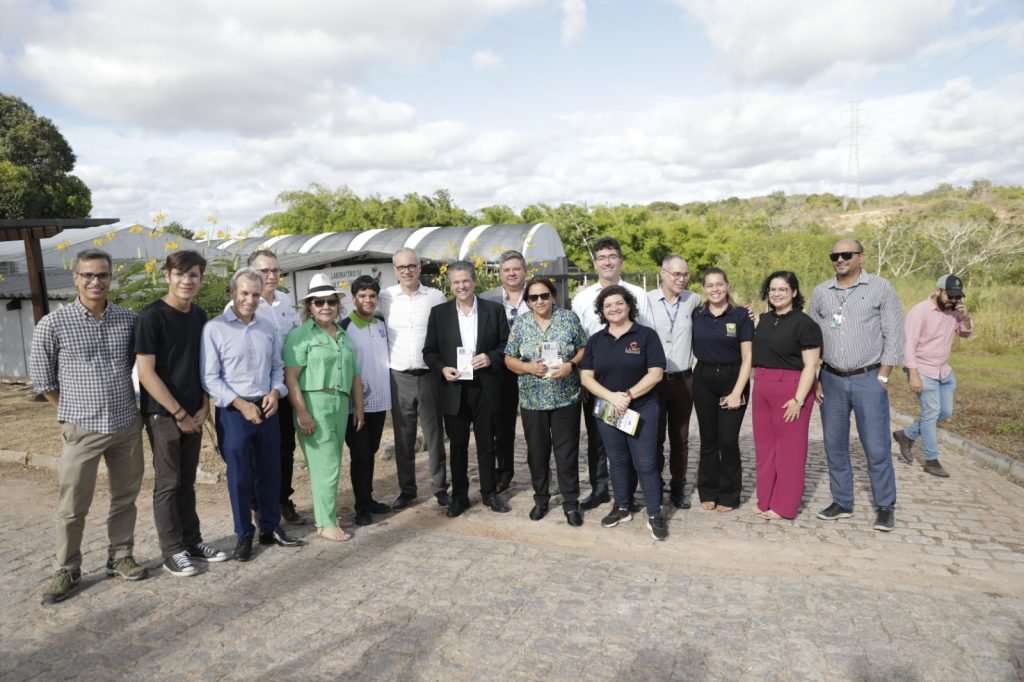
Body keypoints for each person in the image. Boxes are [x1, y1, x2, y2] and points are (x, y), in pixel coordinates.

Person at [30, 248, 149, 604]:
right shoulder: (53, 324)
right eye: (88, 275)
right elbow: (43, 379)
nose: (96, 281)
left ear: (110, 278)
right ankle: (67, 568)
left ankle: (121, 555)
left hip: (126, 423)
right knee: (72, 504)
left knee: (125, 497)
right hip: (81, 428)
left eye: (102, 275)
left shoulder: (127, 320)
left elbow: (138, 366)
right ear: (76, 279)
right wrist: (69, 413)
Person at [136, 250, 228, 577]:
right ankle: (172, 550)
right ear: (167, 276)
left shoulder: (200, 315)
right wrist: (178, 412)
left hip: (194, 411)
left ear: (201, 279)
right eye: (180, 274)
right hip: (163, 414)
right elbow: (146, 374)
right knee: (168, 483)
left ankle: (192, 540)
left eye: (193, 275)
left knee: (187, 482)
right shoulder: (151, 317)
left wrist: (204, 403)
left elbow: (203, 365)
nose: (187, 281)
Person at [201, 267, 303, 561]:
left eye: (255, 294)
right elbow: (210, 378)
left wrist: (275, 392)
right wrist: (241, 405)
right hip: (234, 411)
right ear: (232, 293)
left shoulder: (267, 327)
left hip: (267, 406)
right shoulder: (215, 329)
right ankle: (244, 534)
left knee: (271, 471)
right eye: (244, 293)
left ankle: (269, 529)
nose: (250, 299)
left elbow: (276, 368)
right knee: (240, 475)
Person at [809, 239, 904, 532]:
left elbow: (895, 333)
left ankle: (885, 506)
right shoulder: (821, 292)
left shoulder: (880, 288)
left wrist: (884, 376)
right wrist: (814, 378)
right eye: (835, 255)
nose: (840, 259)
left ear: (861, 257)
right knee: (834, 445)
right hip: (831, 379)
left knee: (876, 447)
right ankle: (842, 501)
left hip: (868, 378)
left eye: (846, 254)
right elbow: (811, 339)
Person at [571, 236, 655, 511]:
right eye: (601, 258)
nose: (607, 262)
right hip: (597, 384)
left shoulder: (638, 294)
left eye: (612, 256)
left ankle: (628, 495)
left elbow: (647, 337)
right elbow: (578, 341)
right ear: (595, 264)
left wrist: (636, 389)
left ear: (620, 261)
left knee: (632, 441)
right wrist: (585, 379)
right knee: (598, 441)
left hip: (633, 388)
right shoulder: (582, 298)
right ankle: (600, 490)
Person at [423, 260, 511, 517]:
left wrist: (491, 358)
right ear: (450, 285)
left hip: (485, 386)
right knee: (458, 446)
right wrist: (442, 369)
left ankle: (489, 493)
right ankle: (460, 496)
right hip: (454, 389)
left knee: (486, 444)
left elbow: (507, 345)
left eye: (465, 281)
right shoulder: (439, 314)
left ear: (474, 282)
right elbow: (429, 352)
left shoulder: (493, 311)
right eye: (456, 282)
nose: (461, 286)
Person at [579, 286, 668, 540]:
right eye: (608, 306)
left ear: (629, 305)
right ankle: (622, 507)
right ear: (602, 311)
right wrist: (612, 397)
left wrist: (627, 396)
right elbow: (586, 376)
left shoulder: (646, 335)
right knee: (616, 461)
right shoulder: (596, 340)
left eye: (619, 303)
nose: (614, 309)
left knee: (646, 464)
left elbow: (656, 374)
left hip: (641, 408)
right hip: (609, 408)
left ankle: (653, 513)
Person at [284, 273, 365, 541]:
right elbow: (291, 377)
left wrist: (359, 408)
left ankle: (324, 516)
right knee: (326, 464)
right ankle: (326, 522)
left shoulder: (342, 335)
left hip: (340, 404)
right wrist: (302, 411)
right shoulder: (300, 336)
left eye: (330, 301)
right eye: (319, 302)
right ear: (309, 306)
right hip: (314, 403)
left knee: (329, 464)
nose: (325, 306)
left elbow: (354, 375)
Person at [504, 277, 588, 526]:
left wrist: (570, 365)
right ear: (528, 301)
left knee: (567, 454)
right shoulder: (521, 324)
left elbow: (583, 348)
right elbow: (509, 359)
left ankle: (571, 504)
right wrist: (528, 367)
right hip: (533, 400)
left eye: (544, 295)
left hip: (565, 398)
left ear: (552, 296)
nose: (539, 301)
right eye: (533, 297)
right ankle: (541, 499)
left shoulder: (568, 318)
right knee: (538, 454)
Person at [379, 247, 449, 510]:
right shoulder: (385, 297)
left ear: (419, 267)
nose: (406, 271)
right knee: (403, 438)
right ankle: (407, 490)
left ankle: (441, 488)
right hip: (399, 377)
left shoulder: (435, 296)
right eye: (401, 267)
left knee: (434, 435)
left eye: (412, 265)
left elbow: (445, 333)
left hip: (429, 375)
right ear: (394, 270)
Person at [750, 271, 822, 520]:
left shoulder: (804, 323)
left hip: (791, 389)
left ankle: (784, 506)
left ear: (794, 292)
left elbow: (811, 365)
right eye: (772, 289)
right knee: (765, 449)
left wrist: (799, 400)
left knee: (789, 452)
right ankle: (765, 500)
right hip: (762, 387)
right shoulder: (765, 319)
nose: (776, 294)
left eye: (782, 289)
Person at [893, 274, 974, 478]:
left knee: (944, 412)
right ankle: (931, 460)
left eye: (958, 297)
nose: (954, 301)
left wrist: (965, 318)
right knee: (931, 412)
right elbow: (908, 344)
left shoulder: (954, 312)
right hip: (922, 369)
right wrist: (913, 373)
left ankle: (907, 435)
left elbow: (964, 334)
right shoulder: (919, 312)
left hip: (943, 371)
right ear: (938, 291)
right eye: (950, 296)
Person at [248, 249, 305, 525]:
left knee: (285, 448)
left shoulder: (285, 301)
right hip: (258, 391)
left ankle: (283, 499)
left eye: (274, 270)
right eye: (264, 271)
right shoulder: (243, 305)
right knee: (259, 451)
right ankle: (258, 504)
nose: (271, 276)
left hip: (285, 385)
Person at [691, 267, 754, 513]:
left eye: (719, 284)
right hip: (704, 378)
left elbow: (748, 357)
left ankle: (729, 494)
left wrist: (738, 391)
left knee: (728, 441)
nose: (715, 289)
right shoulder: (697, 314)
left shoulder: (741, 315)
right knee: (708, 440)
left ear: (727, 285)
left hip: (733, 377)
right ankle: (708, 490)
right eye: (710, 285)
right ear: (704, 289)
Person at [647, 254, 700, 510]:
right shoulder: (645, 301)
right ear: (663, 274)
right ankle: (655, 482)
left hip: (683, 381)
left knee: (680, 438)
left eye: (685, 274)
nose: (681, 279)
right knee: (654, 437)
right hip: (654, 381)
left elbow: (721, 310)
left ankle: (678, 486)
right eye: (676, 274)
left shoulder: (694, 300)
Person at [340, 275, 394, 525]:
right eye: (362, 296)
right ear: (354, 299)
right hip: (355, 405)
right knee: (360, 454)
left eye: (372, 296)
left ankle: (368, 498)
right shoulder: (344, 327)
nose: (368, 300)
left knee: (370, 451)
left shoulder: (381, 323)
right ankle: (361, 506)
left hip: (380, 400)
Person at [481, 250, 530, 493]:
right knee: (501, 425)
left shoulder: (538, 295)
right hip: (499, 372)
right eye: (506, 269)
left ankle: (541, 472)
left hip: (532, 370)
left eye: (516, 268)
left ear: (525, 271)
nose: (511, 273)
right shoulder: (487, 299)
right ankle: (503, 471)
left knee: (536, 427)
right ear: (500, 273)